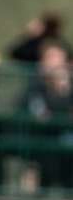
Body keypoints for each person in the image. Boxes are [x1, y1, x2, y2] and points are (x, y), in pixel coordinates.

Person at [19, 42, 73, 189]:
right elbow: (34, 111)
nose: (50, 63)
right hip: (40, 142)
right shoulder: (35, 85)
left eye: (54, 57)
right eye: (47, 58)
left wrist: (63, 87)